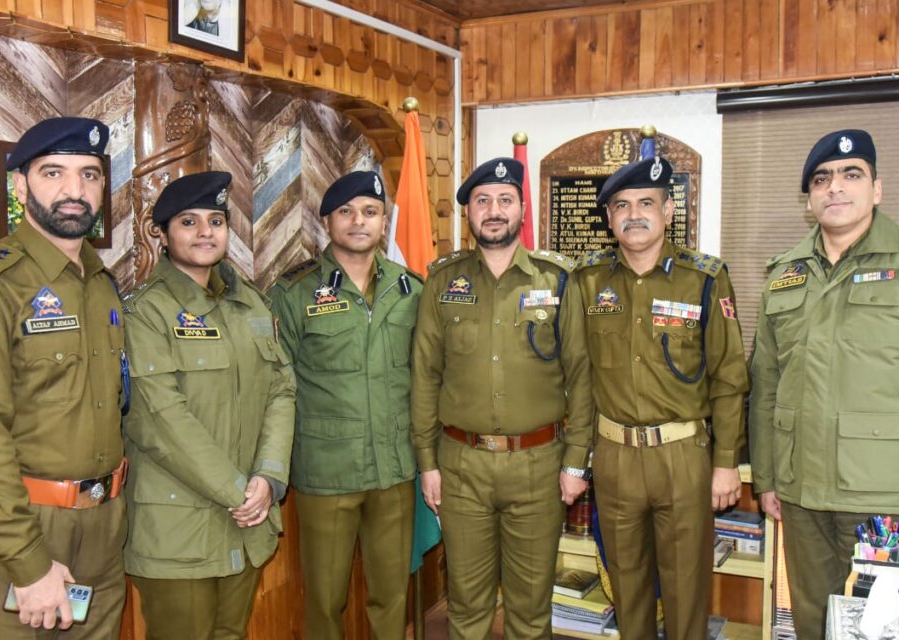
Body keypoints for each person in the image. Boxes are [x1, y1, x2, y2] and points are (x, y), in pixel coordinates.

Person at [749, 129, 899, 640]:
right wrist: (766, 478)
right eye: (822, 179)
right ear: (809, 198)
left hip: (882, 498)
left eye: (851, 174)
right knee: (814, 621)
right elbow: (765, 384)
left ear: (876, 188)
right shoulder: (784, 274)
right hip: (800, 490)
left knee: (882, 624)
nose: (835, 187)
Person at [0, 116, 128, 637]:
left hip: (103, 524)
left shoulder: (101, 285)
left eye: (89, 175)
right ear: (19, 185)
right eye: (53, 173)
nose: (74, 190)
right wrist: (28, 562)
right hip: (24, 526)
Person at [411, 157, 595, 640]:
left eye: (505, 200)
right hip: (460, 465)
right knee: (466, 606)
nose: (494, 210)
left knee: (530, 610)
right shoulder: (441, 282)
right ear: (468, 213)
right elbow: (425, 376)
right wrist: (427, 463)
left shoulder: (557, 280)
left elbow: (581, 375)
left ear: (521, 209)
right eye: (482, 201)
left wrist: (576, 464)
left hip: (539, 464)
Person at [572, 155, 749, 640]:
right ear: (609, 218)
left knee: (685, 590)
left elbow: (730, 377)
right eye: (622, 205)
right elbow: (580, 377)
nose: (634, 214)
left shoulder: (705, 278)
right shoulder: (587, 281)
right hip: (614, 458)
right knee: (627, 590)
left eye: (646, 203)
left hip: (682, 456)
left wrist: (726, 462)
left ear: (669, 210)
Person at [121, 171, 296, 640]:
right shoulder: (146, 313)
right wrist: (240, 491)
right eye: (189, 221)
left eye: (216, 220)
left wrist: (270, 477)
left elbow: (282, 389)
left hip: (246, 515)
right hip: (180, 524)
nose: (205, 232)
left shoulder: (251, 305)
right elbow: (161, 421)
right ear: (161, 233)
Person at [270, 170, 423, 640]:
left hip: (394, 468)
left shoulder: (411, 290)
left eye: (370, 212)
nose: (359, 221)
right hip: (327, 473)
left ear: (384, 222)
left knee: (391, 595)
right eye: (346, 212)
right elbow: (278, 385)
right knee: (325, 600)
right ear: (327, 222)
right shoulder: (294, 293)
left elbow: (426, 378)